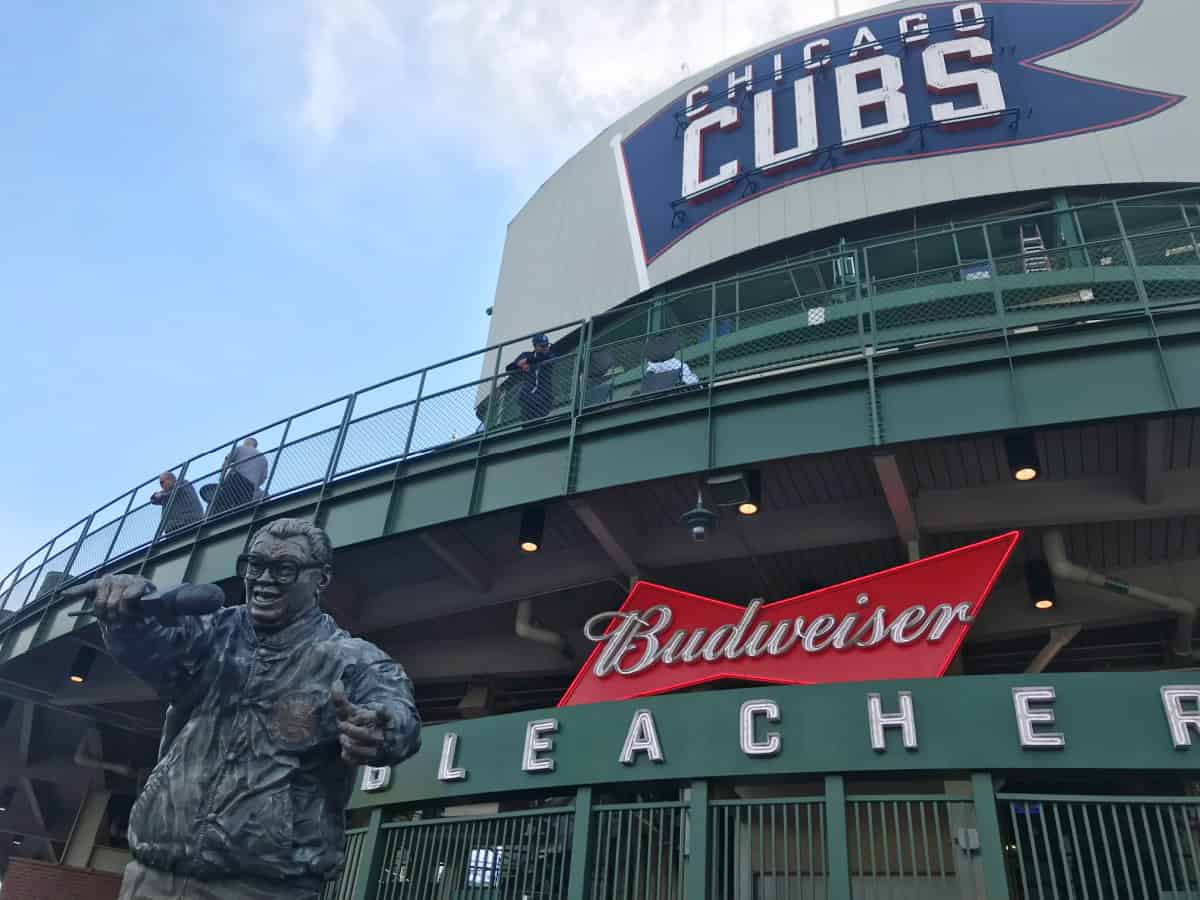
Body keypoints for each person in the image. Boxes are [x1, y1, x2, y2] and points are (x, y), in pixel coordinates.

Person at [69, 517, 421, 900]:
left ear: (321, 578)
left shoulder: (351, 659)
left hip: (264, 887)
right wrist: (124, 620)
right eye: (255, 565)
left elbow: (396, 712)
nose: (265, 579)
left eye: (284, 569)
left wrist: (382, 730)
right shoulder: (210, 631)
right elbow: (153, 651)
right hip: (152, 875)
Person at [505, 334, 557, 424]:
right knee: (527, 424)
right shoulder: (526, 354)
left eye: (547, 345)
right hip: (528, 396)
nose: (546, 348)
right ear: (535, 346)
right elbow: (509, 368)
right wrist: (519, 365)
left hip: (544, 396)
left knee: (541, 424)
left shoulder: (549, 354)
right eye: (542, 346)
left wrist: (528, 361)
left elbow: (546, 358)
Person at [209, 438, 269, 514]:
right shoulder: (263, 458)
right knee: (241, 509)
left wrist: (221, 479)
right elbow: (263, 478)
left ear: (246, 442)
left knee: (222, 504)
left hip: (236, 479)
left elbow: (226, 462)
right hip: (250, 487)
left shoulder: (240, 448)